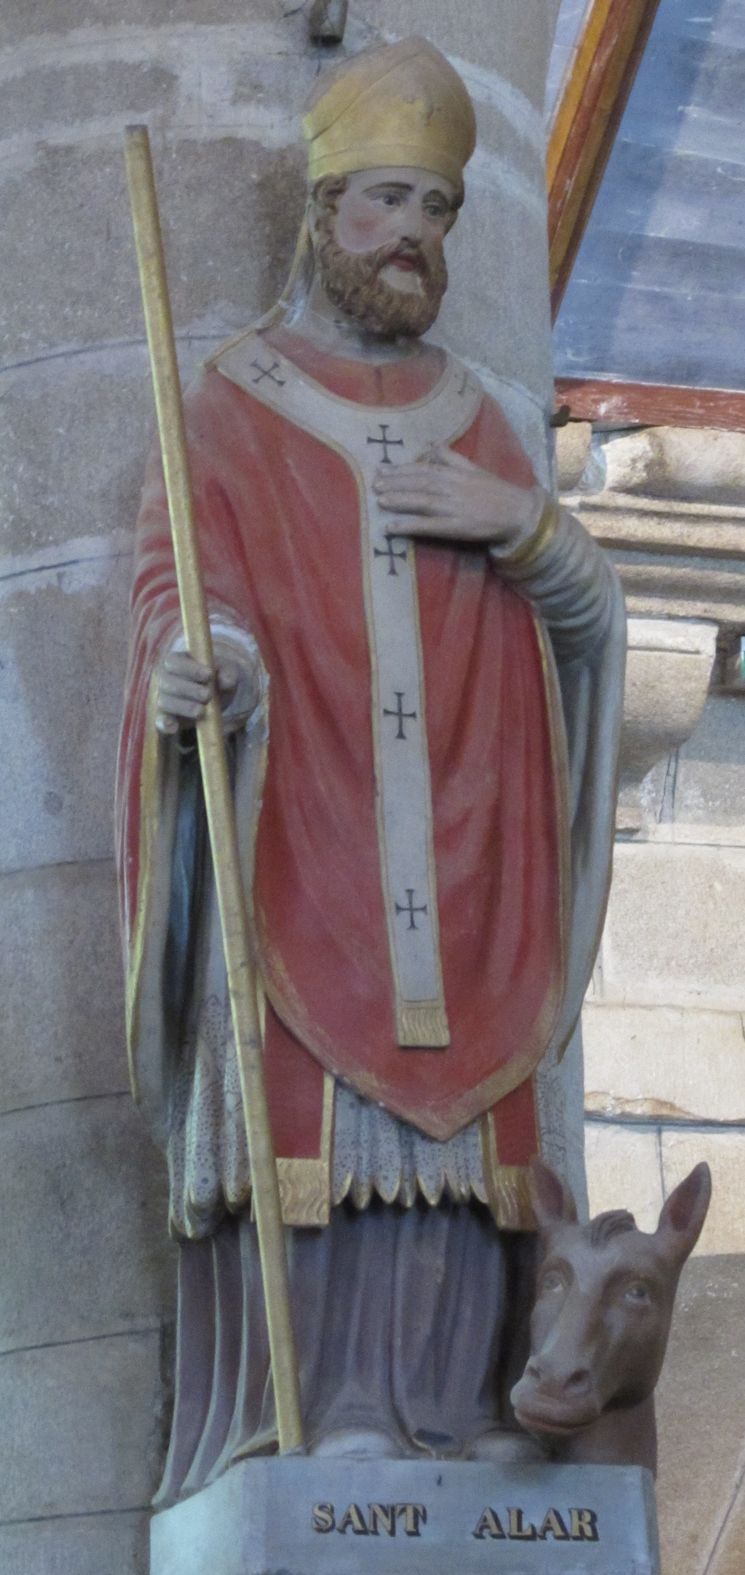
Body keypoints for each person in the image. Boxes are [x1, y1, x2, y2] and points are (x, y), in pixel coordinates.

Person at [116, 35, 625, 1501]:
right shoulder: (224, 399)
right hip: (308, 825)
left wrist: (518, 526)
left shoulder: (481, 420)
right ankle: (324, 1407)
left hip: (473, 847)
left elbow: (589, 619)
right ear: (321, 211)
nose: (415, 234)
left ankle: (454, 1403)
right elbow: (175, 582)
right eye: (388, 200)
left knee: (469, 1136)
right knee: (323, 1127)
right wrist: (197, 662)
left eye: (440, 209)